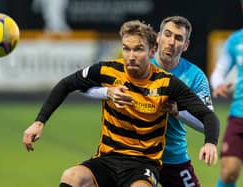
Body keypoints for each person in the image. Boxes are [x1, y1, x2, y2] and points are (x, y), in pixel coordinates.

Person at [23, 20, 220, 187]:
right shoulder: (109, 71)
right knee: (71, 177)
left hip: (147, 163)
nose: (131, 56)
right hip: (109, 158)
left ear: (152, 51)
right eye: (126, 48)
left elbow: (208, 116)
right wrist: (39, 122)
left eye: (138, 49)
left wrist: (209, 142)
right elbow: (68, 84)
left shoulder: (168, 82)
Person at [85, 16, 213, 187]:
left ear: (186, 45)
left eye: (178, 38)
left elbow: (207, 122)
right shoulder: (137, 62)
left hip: (173, 158)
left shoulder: (196, 77)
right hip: (135, 157)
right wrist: (108, 92)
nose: (171, 42)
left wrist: (178, 111)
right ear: (158, 37)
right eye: (167, 35)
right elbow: (84, 86)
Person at [210, 3, 243, 186]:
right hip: (239, 115)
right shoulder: (235, 40)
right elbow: (218, 71)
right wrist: (218, 84)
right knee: (229, 172)